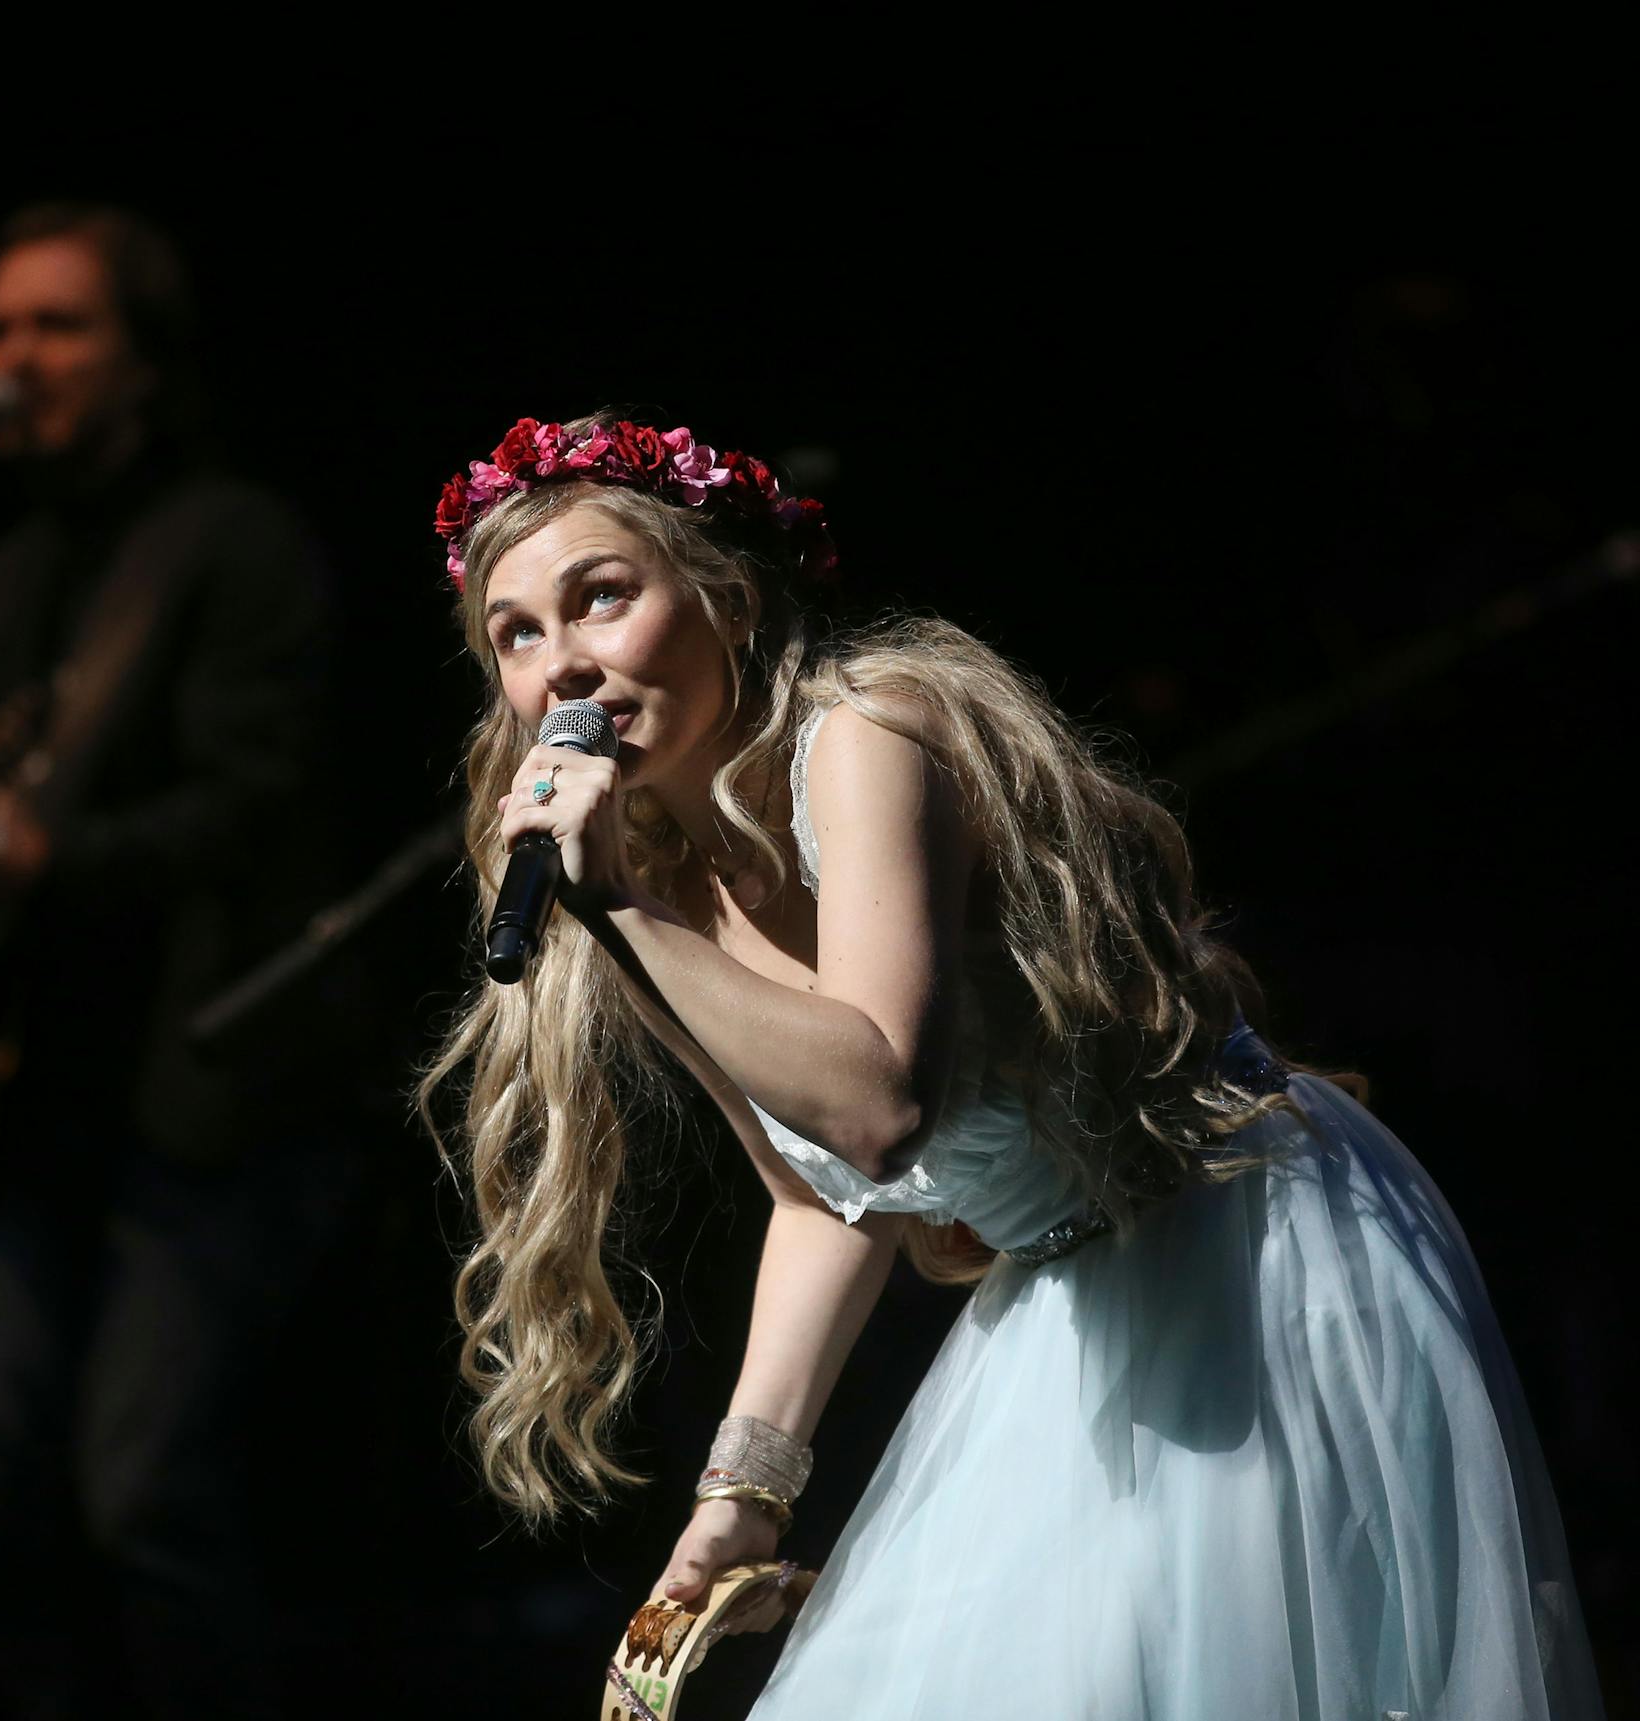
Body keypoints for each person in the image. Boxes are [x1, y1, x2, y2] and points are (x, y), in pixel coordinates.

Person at [418, 413, 1603, 1717]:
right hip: (1064, 1303)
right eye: (518, 632)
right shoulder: (647, 892)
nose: (563, 665)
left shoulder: (867, 733)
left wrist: (622, 919)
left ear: (727, 595)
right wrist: (741, 1493)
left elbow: (879, 1107)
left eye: (602, 597)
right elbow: (825, 1195)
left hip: (1241, 1257)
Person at [0, 204, 339, 1718]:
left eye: (56, 327)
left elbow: (264, 797)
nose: (11, 360)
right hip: (26, 1102)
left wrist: (62, 860)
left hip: (198, 1091)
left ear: (145, 361)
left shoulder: (229, 544)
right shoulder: (7, 579)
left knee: (144, 1492)